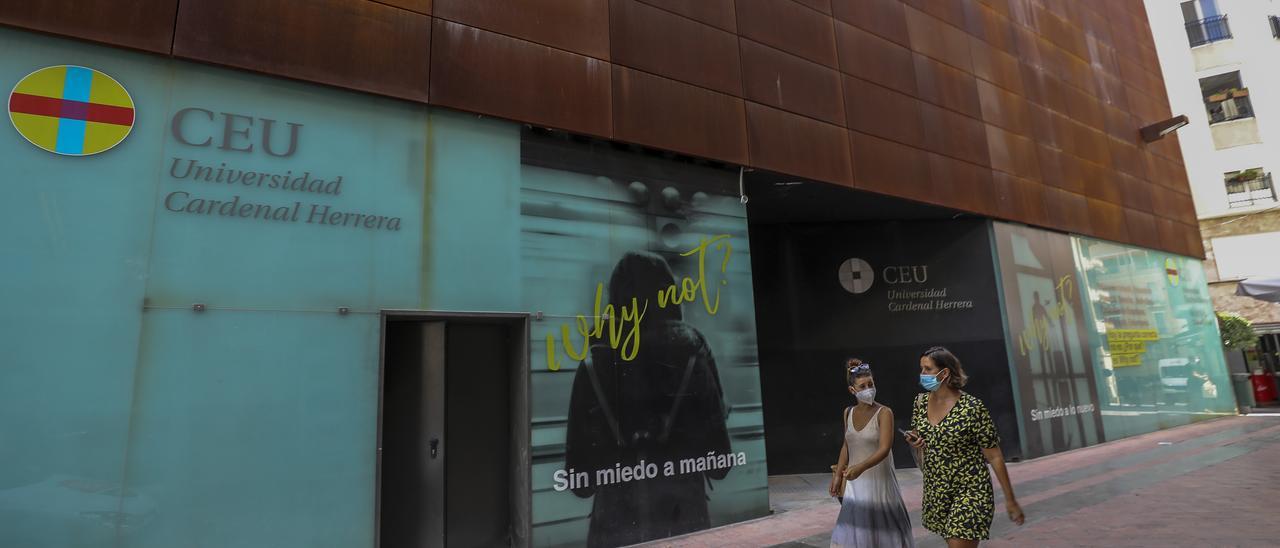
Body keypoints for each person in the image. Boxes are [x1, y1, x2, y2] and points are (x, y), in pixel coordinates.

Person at [564, 251, 732, 547]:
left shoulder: (593, 363)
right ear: (670, 294)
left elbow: (581, 481)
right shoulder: (695, 353)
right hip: (684, 521)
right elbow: (720, 464)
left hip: (614, 526)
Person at [906, 347, 1024, 547]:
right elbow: (920, 440)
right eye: (921, 369)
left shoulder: (972, 408)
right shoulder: (920, 403)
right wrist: (914, 440)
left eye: (927, 369)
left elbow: (995, 456)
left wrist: (1010, 499)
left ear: (944, 373)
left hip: (971, 490)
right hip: (938, 490)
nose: (922, 374)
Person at [829, 359, 915, 547]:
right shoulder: (848, 413)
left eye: (871, 384)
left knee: (883, 528)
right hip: (855, 483)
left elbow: (884, 449)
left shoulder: (884, 413)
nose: (868, 388)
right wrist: (837, 475)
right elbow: (846, 445)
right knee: (856, 529)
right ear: (853, 390)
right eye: (863, 386)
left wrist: (860, 467)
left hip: (880, 482)